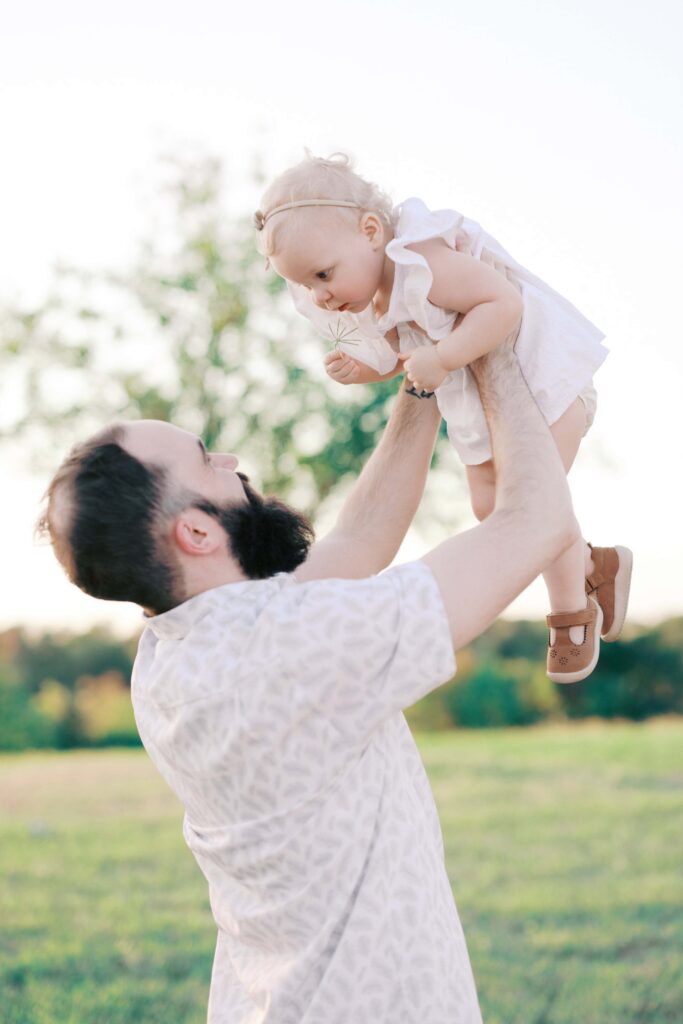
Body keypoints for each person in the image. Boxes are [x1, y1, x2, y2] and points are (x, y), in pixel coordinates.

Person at [39, 338, 582, 1024]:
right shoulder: (289, 647)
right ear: (197, 534)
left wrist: (422, 389)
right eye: (207, 460)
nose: (231, 462)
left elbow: (357, 543)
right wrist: (490, 343)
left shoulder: (173, 656)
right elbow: (536, 522)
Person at [254, 153, 632, 683]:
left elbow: (502, 304)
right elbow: (399, 359)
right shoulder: (376, 296)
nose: (321, 294)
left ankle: (571, 607)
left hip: (545, 383)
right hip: (483, 405)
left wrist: (446, 357)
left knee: (533, 502)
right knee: (488, 508)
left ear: (369, 231)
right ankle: (595, 567)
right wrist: (362, 368)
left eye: (324, 274)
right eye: (308, 286)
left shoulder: (422, 260)